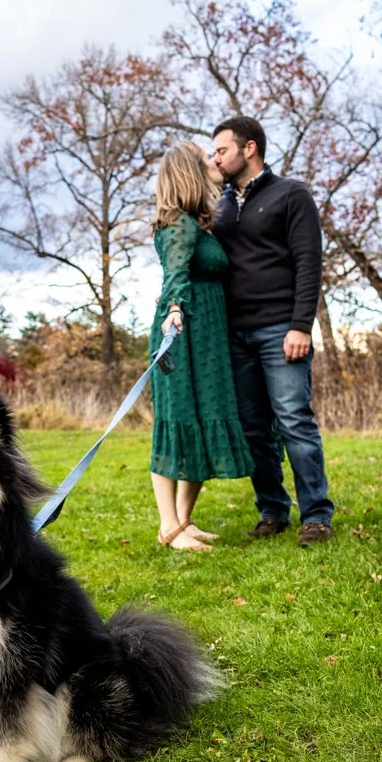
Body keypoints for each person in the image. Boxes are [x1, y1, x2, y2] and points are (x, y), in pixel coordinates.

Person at [210, 116, 335, 545]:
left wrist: (301, 324)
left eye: (221, 150)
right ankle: (272, 510)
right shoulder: (221, 205)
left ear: (249, 148)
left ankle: (316, 515)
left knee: (294, 420)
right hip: (234, 335)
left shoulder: (291, 194)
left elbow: (309, 262)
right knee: (253, 428)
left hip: (281, 329)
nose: (216, 158)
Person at [147, 143, 254, 551]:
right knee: (175, 424)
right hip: (184, 334)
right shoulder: (179, 225)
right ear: (190, 171)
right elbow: (175, 273)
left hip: (207, 336)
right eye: (207, 157)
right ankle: (169, 526)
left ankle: (184, 520)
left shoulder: (195, 221)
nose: (216, 161)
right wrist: (175, 309)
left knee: (202, 420)